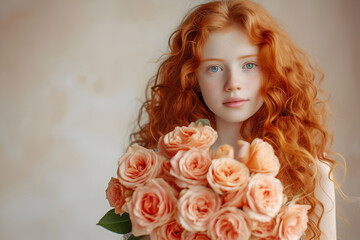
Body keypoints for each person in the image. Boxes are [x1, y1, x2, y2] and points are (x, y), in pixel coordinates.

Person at [130, 0, 338, 239]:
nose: (233, 83)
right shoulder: (159, 172)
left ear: (271, 70)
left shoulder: (311, 174)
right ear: (192, 78)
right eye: (215, 68)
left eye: (249, 65)